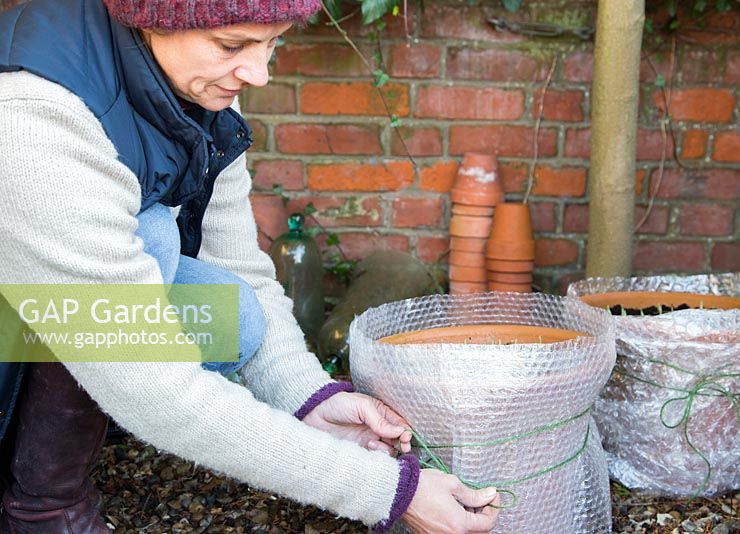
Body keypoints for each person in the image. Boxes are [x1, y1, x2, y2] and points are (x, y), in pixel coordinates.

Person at [0, 0, 501, 533]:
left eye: (274, 42)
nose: (258, 74)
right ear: (152, 19)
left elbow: (240, 264)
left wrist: (309, 400)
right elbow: (151, 381)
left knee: (230, 314)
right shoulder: (39, 117)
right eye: (232, 45)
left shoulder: (192, 86)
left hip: (38, 303)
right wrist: (384, 491)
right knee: (151, 238)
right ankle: (42, 508)